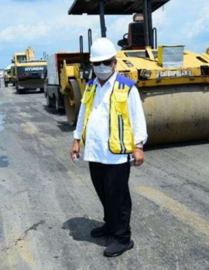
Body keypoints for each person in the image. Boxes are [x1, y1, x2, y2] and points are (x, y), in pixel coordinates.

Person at [71, 38, 147, 258]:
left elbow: (137, 118)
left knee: (119, 196)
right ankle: (110, 224)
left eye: (105, 62)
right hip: (95, 152)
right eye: (97, 63)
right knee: (103, 192)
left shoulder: (126, 87)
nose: (101, 67)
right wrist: (76, 141)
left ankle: (123, 238)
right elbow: (83, 114)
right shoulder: (91, 86)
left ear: (114, 63)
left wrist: (139, 146)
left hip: (117, 154)